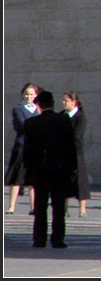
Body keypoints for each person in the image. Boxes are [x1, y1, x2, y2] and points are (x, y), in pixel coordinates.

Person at [24, 91, 76, 249]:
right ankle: (57, 239)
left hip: (40, 169)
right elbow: (70, 146)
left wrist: (29, 169)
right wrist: (71, 167)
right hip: (59, 169)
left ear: (38, 105)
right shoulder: (63, 120)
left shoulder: (32, 123)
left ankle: (39, 239)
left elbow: (28, 150)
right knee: (58, 207)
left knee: (40, 206)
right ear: (53, 104)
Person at [6, 83, 40, 215]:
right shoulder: (18, 108)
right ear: (22, 94)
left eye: (31, 94)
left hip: (35, 146)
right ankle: (11, 206)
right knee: (17, 178)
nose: (28, 96)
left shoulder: (37, 109)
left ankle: (33, 207)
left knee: (33, 179)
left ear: (35, 95)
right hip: (22, 145)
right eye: (26, 94)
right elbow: (23, 124)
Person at [60, 92, 90, 218]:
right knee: (63, 181)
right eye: (63, 100)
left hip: (76, 153)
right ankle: (64, 208)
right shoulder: (61, 116)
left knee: (80, 181)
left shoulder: (80, 117)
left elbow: (76, 135)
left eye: (66, 100)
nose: (63, 102)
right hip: (62, 153)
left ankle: (82, 209)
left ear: (73, 102)